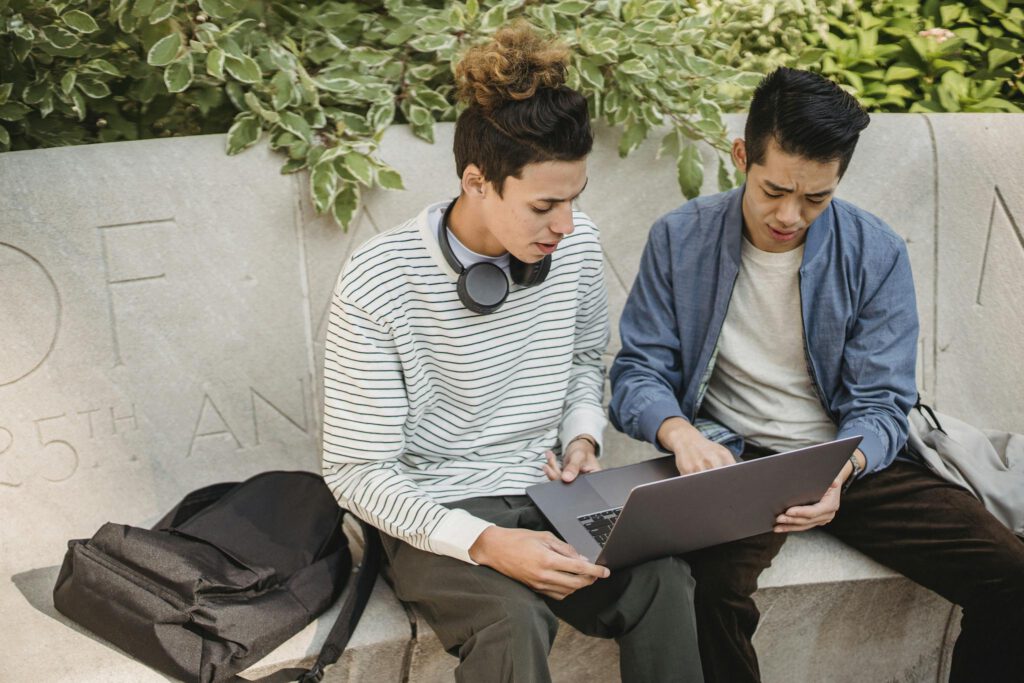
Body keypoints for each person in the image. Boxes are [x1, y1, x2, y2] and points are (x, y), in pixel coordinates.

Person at [609, 66, 1024, 683]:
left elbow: (884, 401)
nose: (790, 214)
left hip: (848, 453)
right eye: (774, 190)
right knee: (705, 593)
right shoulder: (680, 238)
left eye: (815, 198)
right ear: (742, 156)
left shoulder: (875, 251)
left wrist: (841, 467)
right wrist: (679, 433)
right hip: (735, 457)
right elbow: (639, 370)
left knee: (1011, 577)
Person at [321, 24, 703, 683]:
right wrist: (487, 543)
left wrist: (582, 436)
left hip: (549, 486)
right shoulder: (379, 279)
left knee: (665, 578)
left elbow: (587, 361)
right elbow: (356, 472)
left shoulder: (574, 244)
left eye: (575, 199)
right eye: (544, 205)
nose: (565, 224)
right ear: (477, 182)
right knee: (514, 616)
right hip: (434, 511)